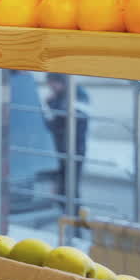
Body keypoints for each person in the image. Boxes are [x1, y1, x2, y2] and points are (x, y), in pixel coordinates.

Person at [43, 72, 90, 206]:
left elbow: (66, 118)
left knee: (71, 188)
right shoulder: (60, 95)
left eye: (52, 84)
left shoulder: (79, 94)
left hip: (75, 149)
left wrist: (51, 103)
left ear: (60, 81)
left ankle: (76, 221)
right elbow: (55, 121)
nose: (51, 88)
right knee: (61, 188)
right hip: (60, 148)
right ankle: (67, 217)